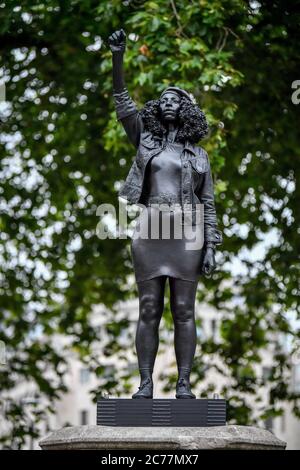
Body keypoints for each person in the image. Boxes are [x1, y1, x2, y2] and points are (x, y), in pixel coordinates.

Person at [108, 29, 222, 398]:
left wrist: (212, 245)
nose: (168, 102)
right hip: (151, 228)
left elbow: (208, 202)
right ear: (158, 109)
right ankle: (144, 383)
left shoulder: (199, 155)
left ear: (186, 109)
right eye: (164, 99)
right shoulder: (145, 139)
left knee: (184, 310)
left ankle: (185, 384)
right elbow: (122, 101)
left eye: (176, 99)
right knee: (148, 307)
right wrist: (118, 56)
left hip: (189, 232)